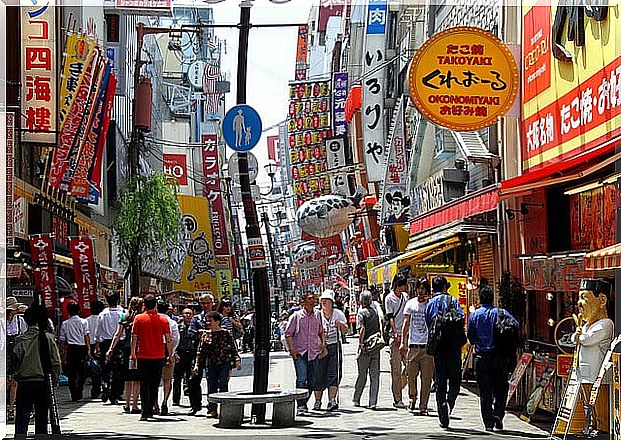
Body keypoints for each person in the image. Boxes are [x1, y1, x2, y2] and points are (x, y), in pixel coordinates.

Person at [467, 284, 517, 432]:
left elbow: (470, 336)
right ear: (493, 298)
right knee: (501, 389)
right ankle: (498, 415)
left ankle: (488, 422)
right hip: (500, 358)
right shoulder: (501, 313)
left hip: (482, 358)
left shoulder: (475, 315)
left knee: (485, 392)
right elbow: (516, 326)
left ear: (480, 299)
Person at [13, 304, 61, 436]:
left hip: (25, 383)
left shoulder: (20, 340)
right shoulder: (49, 338)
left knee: (22, 417)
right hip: (43, 382)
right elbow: (56, 363)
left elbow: (15, 363)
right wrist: (55, 380)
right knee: (42, 417)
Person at [425, 276, 465, 428]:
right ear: (444, 287)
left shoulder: (430, 304)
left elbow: (429, 324)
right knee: (455, 379)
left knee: (440, 380)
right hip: (453, 346)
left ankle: (442, 411)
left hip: (438, 347)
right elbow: (461, 317)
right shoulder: (453, 300)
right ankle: (449, 402)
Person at [131, 294, 173, 421]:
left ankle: (145, 410)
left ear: (144, 305)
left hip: (142, 355)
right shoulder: (163, 320)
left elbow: (134, 337)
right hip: (158, 355)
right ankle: (150, 408)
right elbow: (168, 339)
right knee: (155, 384)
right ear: (156, 305)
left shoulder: (138, 318)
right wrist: (170, 355)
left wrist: (133, 353)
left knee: (144, 383)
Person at [193, 311, 242, 418]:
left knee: (223, 384)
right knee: (212, 386)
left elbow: (233, 348)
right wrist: (197, 364)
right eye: (206, 321)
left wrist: (237, 360)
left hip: (224, 363)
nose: (207, 323)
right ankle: (212, 409)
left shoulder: (226, 333)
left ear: (218, 321)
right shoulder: (205, 334)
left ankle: (225, 408)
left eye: (210, 321)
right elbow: (200, 351)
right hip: (210, 364)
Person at [285, 292, 325, 415]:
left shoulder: (318, 315)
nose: (313, 301)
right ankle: (301, 406)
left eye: (314, 298)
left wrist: (323, 344)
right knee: (302, 379)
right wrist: (292, 350)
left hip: (313, 351)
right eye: (310, 299)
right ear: (303, 302)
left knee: (312, 380)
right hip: (300, 352)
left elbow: (321, 331)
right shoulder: (296, 316)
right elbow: (288, 334)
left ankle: (304, 401)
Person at [400, 278, 434, 415]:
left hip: (427, 347)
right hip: (413, 346)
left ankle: (423, 406)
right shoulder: (410, 304)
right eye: (419, 288)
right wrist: (403, 342)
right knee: (411, 375)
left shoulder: (431, 305)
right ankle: (412, 398)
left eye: (423, 288)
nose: (421, 291)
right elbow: (406, 324)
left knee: (426, 380)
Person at [313, 289, 348, 411]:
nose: (324, 302)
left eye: (327, 301)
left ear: (332, 302)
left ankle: (332, 400)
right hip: (321, 347)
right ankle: (317, 401)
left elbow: (345, 331)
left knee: (334, 373)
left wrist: (341, 325)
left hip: (334, 346)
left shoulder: (338, 314)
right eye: (322, 300)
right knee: (319, 374)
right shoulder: (317, 314)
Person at [107, 296, 143, 413]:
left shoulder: (124, 316)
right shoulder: (141, 318)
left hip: (126, 349)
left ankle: (127, 404)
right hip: (139, 350)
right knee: (137, 378)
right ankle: (135, 405)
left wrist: (111, 349)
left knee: (128, 378)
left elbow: (117, 334)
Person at [353, 290, 382, 409]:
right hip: (375, 347)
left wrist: (361, 344)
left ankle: (356, 399)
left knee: (362, 374)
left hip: (365, 347)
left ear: (361, 301)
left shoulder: (361, 313)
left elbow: (362, 329)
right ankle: (373, 402)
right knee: (375, 376)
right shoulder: (374, 312)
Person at [187, 293, 214, 416]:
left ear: (212, 303)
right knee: (193, 379)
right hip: (198, 353)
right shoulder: (196, 318)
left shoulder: (217, 317)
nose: (205, 305)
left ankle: (212, 406)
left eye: (208, 303)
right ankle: (195, 405)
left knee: (212, 380)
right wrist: (203, 332)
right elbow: (191, 332)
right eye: (203, 303)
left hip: (214, 354)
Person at [96, 292, 125, 404]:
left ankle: (105, 385)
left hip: (105, 343)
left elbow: (99, 331)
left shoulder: (102, 314)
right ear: (118, 300)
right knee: (118, 370)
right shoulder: (122, 313)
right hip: (119, 343)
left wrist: (97, 345)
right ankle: (115, 394)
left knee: (106, 368)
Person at [385, 274, 409, 408]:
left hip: (406, 336)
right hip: (395, 337)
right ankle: (397, 398)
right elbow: (390, 317)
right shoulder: (389, 298)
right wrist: (395, 334)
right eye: (403, 285)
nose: (405, 287)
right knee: (396, 369)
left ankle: (401, 386)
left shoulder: (406, 297)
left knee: (410, 366)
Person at [59, 301, 91, 402]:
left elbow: (63, 341)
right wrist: (89, 349)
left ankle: (73, 394)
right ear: (78, 310)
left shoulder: (65, 324)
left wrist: (62, 353)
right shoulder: (84, 322)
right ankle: (79, 389)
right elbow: (86, 336)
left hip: (71, 349)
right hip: (82, 348)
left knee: (71, 373)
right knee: (82, 372)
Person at [156, 302, 180, 416]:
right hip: (167, 351)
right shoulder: (172, 322)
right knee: (168, 379)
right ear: (167, 310)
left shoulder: (152, 320)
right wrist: (172, 352)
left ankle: (155, 403)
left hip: (153, 350)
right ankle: (165, 401)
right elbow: (175, 339)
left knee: (154, 380)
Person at [7, 297, 27, 421]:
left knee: (15, 381)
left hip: (16, 352)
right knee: (5, 381)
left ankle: (11, 408)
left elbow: (24, 335)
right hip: (4, 352)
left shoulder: (20, 321)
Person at [173, 307, 195, 406]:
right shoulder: (178, 327)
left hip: (191, 353)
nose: (188, 315)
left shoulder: (195, 327)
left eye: (190, 314)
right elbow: (175, 341)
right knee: (177, 378)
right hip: (180, 353)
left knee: (191, 377)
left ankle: (192, 399)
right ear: (182, 315)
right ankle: (176, 399)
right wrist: (175, 353)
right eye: (186, 313)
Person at [87, 300, 105, 399]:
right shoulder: (102, 318)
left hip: (91, 345)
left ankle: (96, 388)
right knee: (104, 367)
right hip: (102, 344)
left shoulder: (87, 320)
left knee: (94, 369)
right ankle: (105, 386)